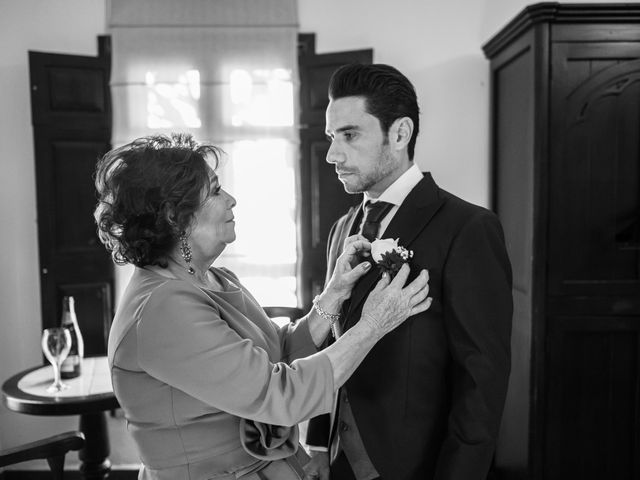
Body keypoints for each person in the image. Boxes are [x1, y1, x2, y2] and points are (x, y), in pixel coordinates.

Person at [93, 133, 432, 480]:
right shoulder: (160, 309)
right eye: (214, 191)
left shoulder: (216, 278)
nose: (232, 199)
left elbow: (275, 355)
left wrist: (333, 295)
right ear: (174, 216)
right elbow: (281, 395)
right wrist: (374, 323)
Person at [303, 64, 513, 480]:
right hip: (337, 462)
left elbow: (481, 380)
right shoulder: (342, 229)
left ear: (399, 134)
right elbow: (331, 338)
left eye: (349, 135)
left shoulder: (467, 229)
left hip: (414, 467)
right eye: (331, 137)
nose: (332, 155)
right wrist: (316, 444)